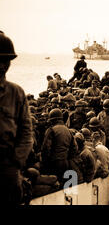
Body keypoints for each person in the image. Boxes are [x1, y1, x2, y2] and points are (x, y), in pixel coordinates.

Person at [0, 32, 33, 204]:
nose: (2, 66)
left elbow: (26, 133)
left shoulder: (16, 93)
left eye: (6, 61)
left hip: (7, 166)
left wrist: (14, 164)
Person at [41, 109, 78, 182]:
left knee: (54, 184)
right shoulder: (68, 130)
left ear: (53, 120)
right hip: (65, 162)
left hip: (53, 162)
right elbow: (74, 148)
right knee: (63, 183)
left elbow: (46, 149)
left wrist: (45, 163)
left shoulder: (51, 130)